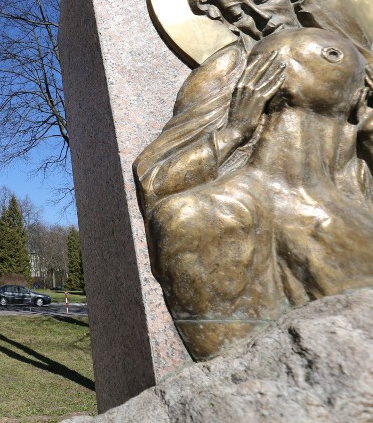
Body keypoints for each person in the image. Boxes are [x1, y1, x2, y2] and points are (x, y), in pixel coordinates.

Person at [148, 28, 373, 359]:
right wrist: (235, 131)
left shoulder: (361, 193)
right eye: (332, 54)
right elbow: (229, 367)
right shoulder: (200, 218)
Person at [135, 0, 373, 211]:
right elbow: (154, 180)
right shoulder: (226, 71)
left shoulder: (360, 57)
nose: (261, 16)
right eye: (238, 14)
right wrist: (235, 130)